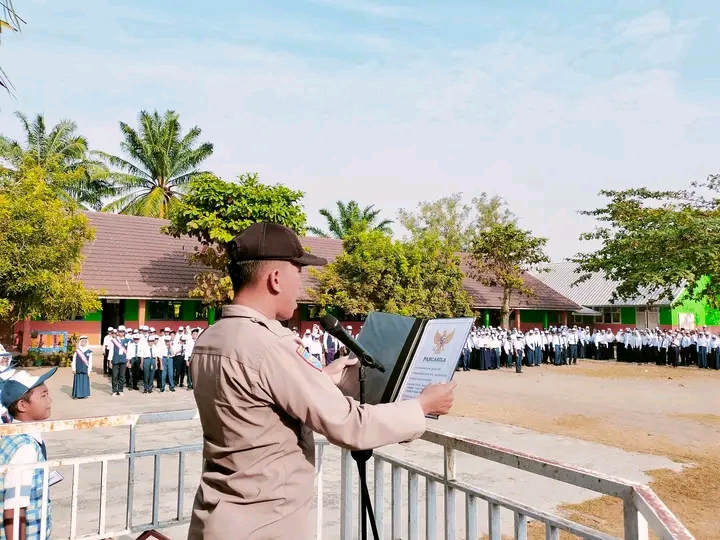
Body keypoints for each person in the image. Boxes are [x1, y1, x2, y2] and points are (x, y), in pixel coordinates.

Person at [187, 222, 456, 540]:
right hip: (263, 525)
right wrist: (422, 406)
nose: (300, 287)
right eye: (298, 274)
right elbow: (350, 426)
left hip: (217, 516)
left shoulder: (212, 338)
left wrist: (320, 377)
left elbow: (256, 399)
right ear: (275, 279)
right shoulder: (271, 346)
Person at [0, 367, 57, 540]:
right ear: (23, 405)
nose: (50, 399)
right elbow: (14, 509)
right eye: (43, 395)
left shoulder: (12, 434)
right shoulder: (25, 448)